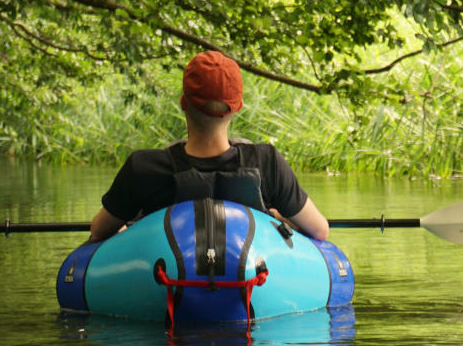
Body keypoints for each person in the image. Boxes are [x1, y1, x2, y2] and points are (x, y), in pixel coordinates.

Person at [89, 51, 330, 242]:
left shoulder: (144, 167)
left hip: (164, 283)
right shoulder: (266, 162)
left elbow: (99, 231)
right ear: (237, 107)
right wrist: (278, 218)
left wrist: (125, 232)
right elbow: (320, 231)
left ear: (183, 103)